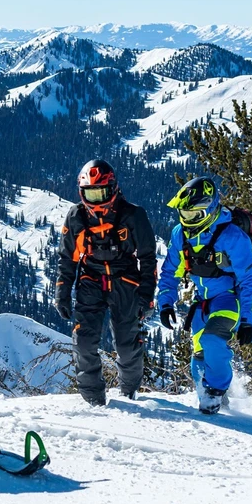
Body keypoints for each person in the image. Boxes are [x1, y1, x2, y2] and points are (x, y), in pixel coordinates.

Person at [156, 177, 252, 414]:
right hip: (201, 302)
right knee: (199, 357)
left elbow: (250, 282)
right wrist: (165, 303)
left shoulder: (233, 237)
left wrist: (248, 320)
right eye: (183, 214)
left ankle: (214, 393)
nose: (186, 220)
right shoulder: (180, 234)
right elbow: (170, 272)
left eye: (193, 215)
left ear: (209, 210)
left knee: (213, 341)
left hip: (228, 299)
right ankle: (216, 401)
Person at [56, 160, 157, 406]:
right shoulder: (76, 216)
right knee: (83, 341)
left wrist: (146, 295)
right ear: (81, 192)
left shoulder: (134, 215)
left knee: (126, 344)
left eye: (101, 193)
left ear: (113, 188)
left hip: (126, 281)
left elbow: (148, 258)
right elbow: (67, 259)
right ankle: (93, 400)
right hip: (91, 281)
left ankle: (129, 393)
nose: (96, 200)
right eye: (90, 194)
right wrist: (62, 293)